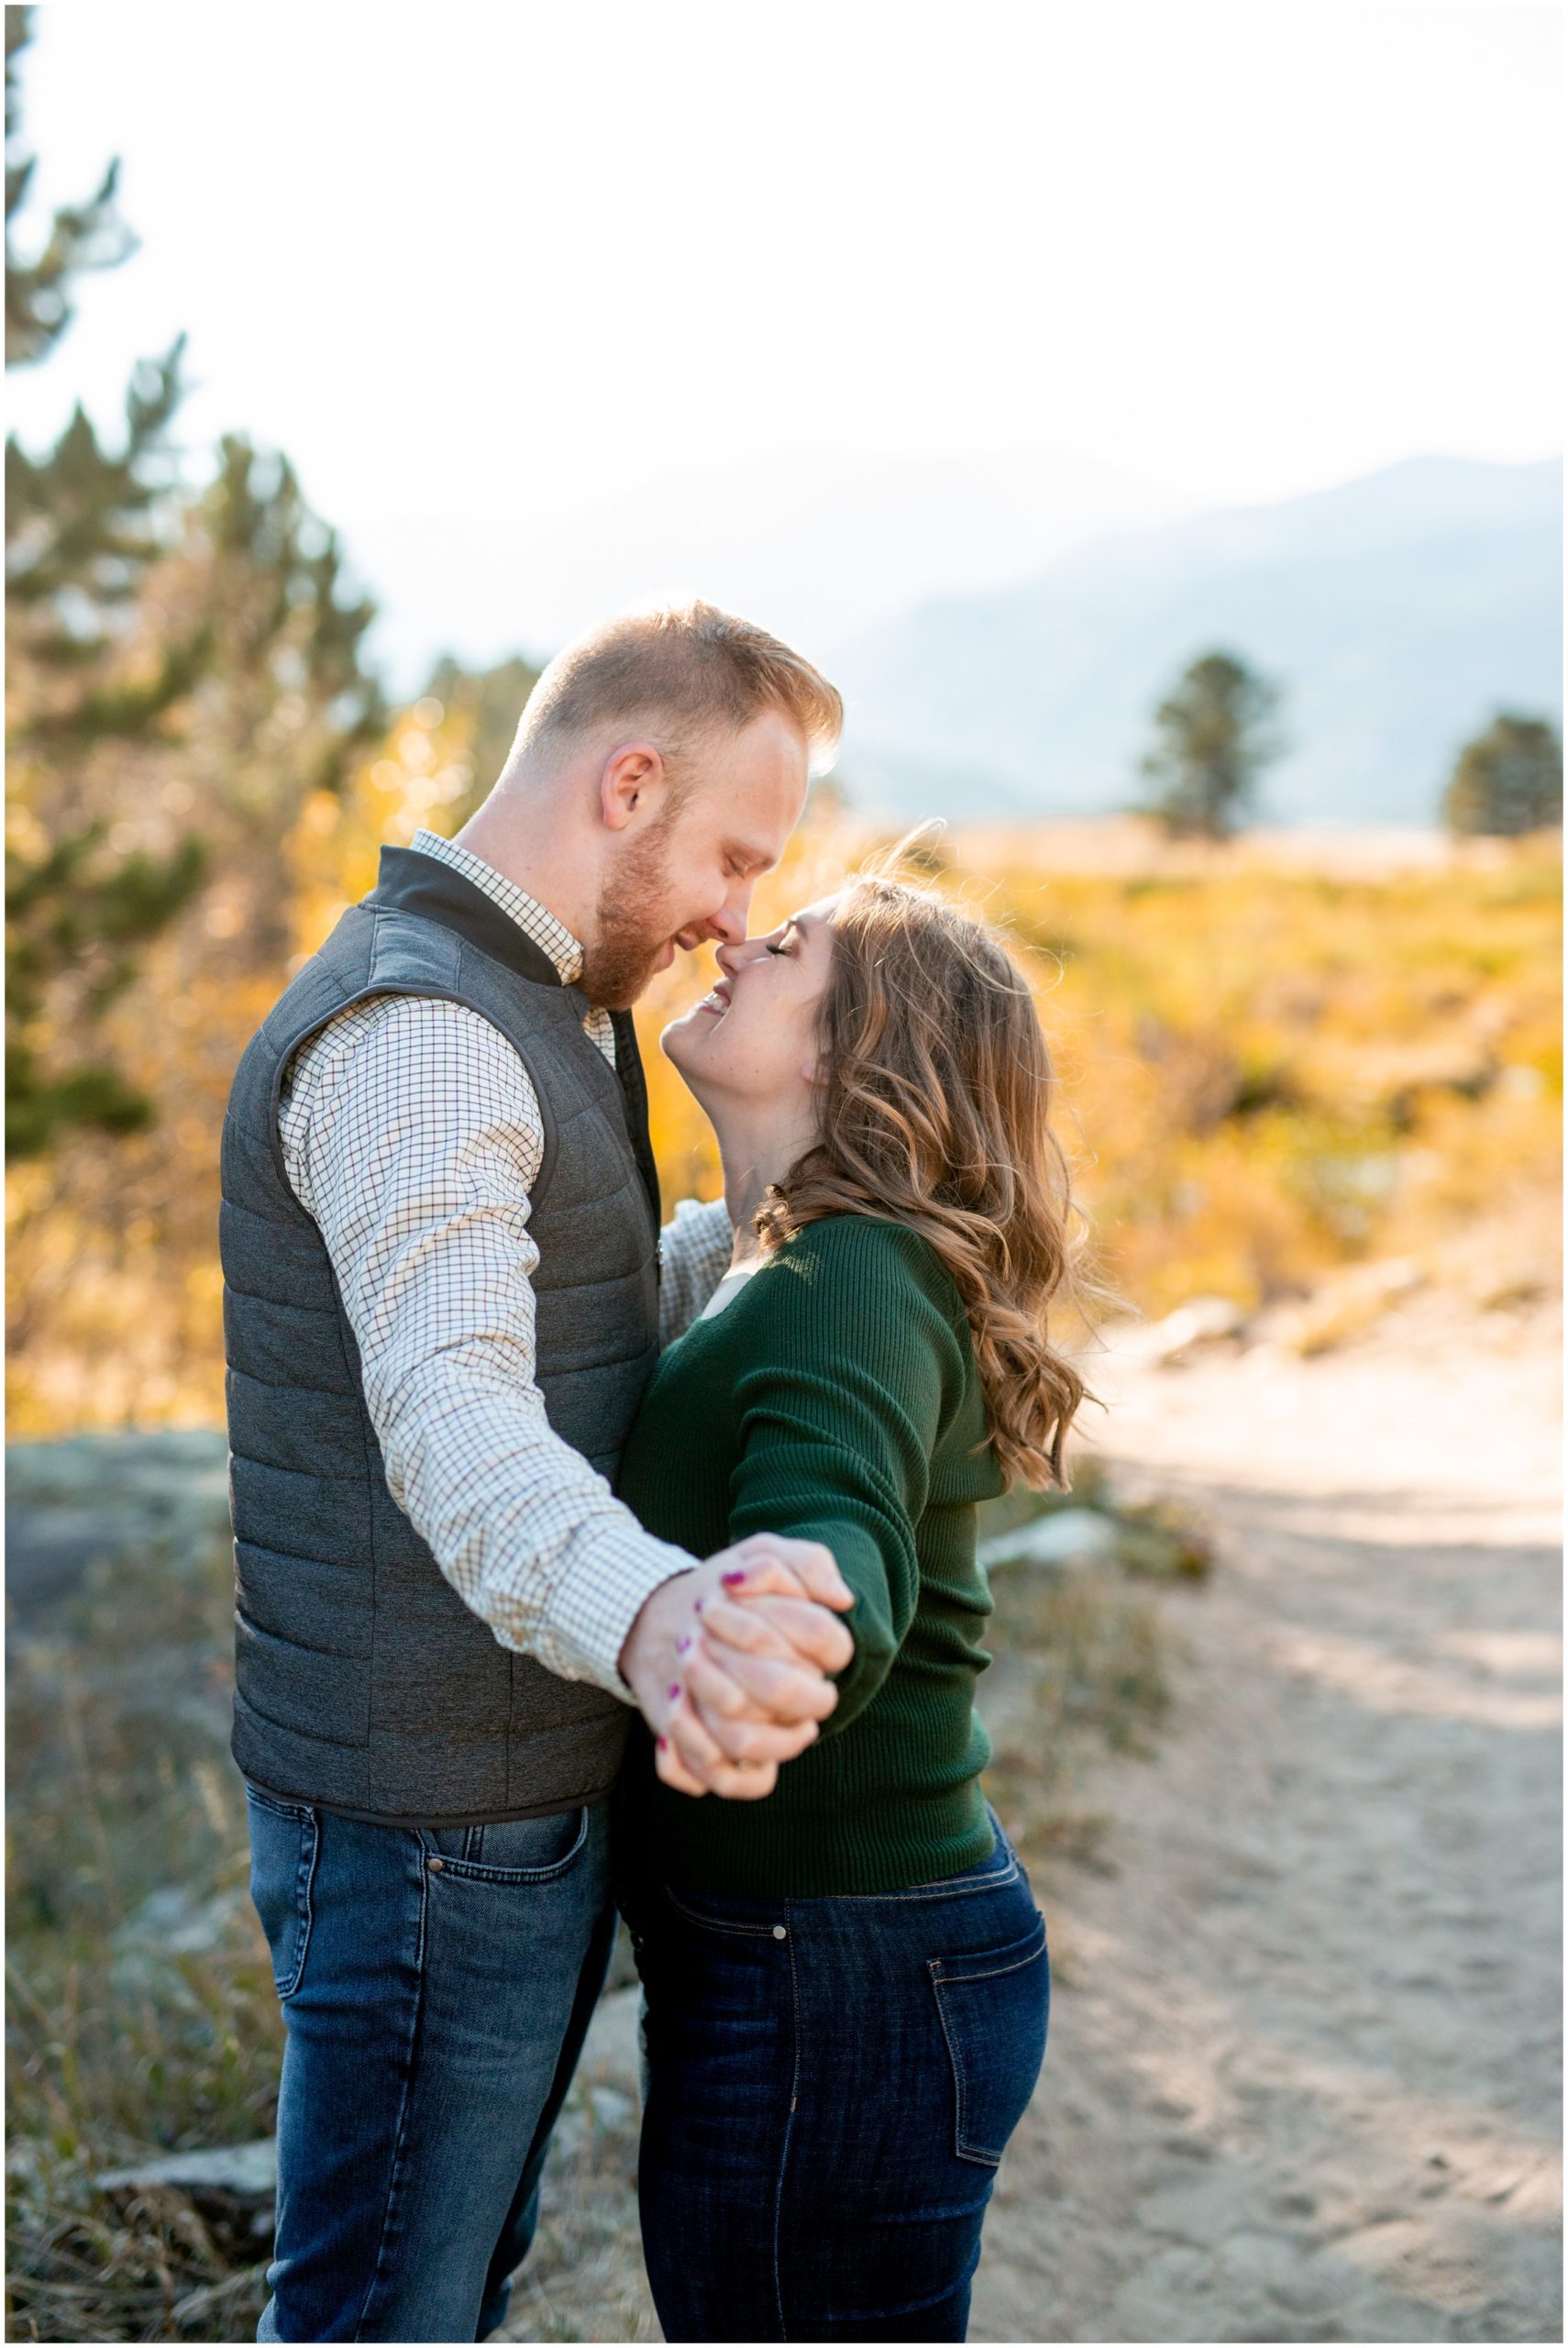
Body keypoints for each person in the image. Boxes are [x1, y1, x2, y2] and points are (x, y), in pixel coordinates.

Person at [219, 602, 859, 2343]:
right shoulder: (421, 1039)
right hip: (428, 1818)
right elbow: (459, 1423)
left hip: (498, 1794)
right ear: (627, 781)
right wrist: (661, 1619)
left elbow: (574, 1323)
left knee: (447, 2287)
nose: (739, 911)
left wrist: (788, 1230)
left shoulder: (534, 1003)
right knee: (378, 2318)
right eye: (734, 854)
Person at [614, 854, 1092, 2342]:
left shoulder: (850, 1280)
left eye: (795, 942)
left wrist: (792, 1609)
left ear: (851, 1046)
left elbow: (838, 1533)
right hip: (834, 1951)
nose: (744, 939)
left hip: (840, 1972)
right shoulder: (786, 1265)